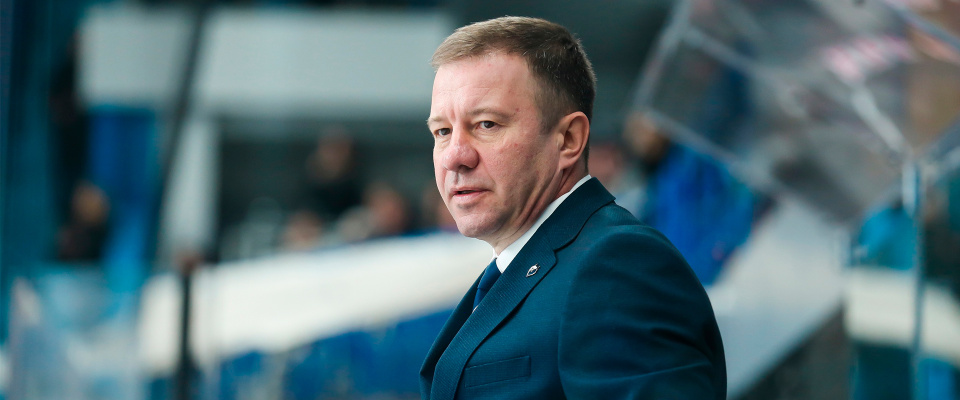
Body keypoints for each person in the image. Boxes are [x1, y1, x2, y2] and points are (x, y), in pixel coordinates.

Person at [420, 16, 726, 399]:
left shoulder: (617, 265)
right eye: (443, 131)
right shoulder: (532, 266)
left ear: (568, 139)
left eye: (486, 124)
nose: (455, 157)